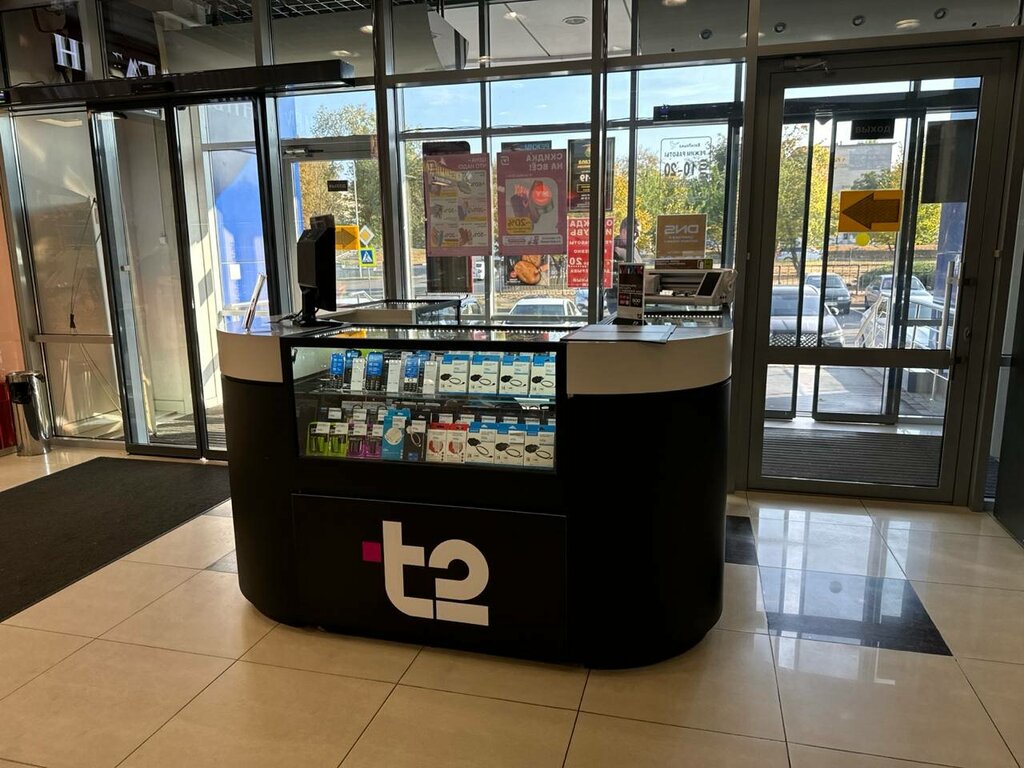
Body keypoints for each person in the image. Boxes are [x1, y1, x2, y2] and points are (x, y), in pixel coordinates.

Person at [606, 217, 639, 314]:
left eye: (639, 232)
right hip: (619, 300)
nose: (638, 235)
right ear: (624, 232)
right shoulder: (614, 250)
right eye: (636, 232)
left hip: (634, 297)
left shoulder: (634, 249)